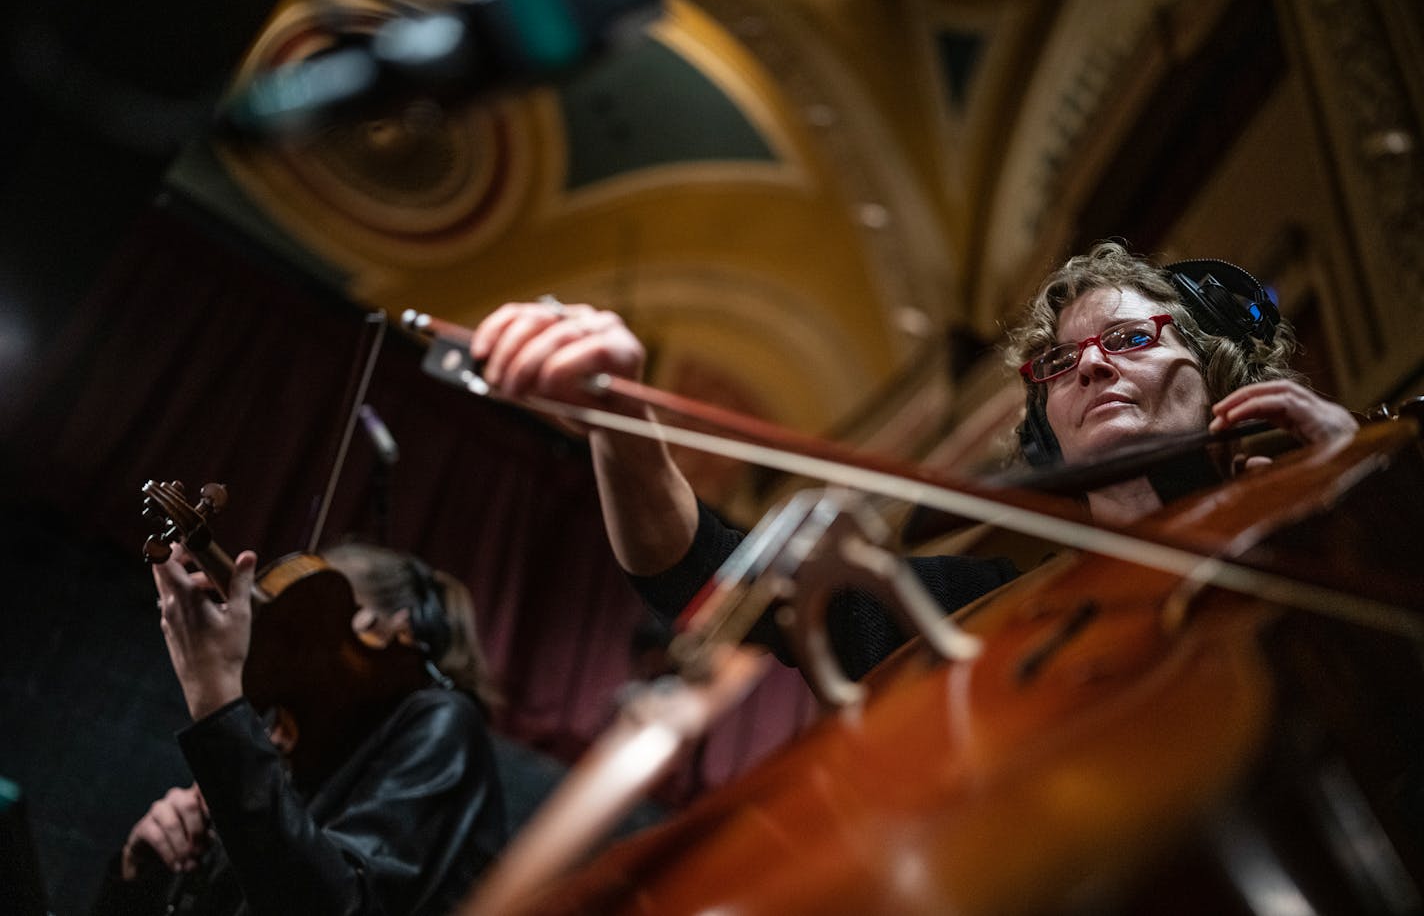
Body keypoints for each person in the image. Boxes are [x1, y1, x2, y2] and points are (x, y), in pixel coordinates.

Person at [467, 241, 1359, 679]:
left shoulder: (1336, 531)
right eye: (1059, 360)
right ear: (1046, 421)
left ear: (1221, 375)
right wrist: (619, 422)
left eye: (1130, 336)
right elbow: (709, 575)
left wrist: (1363, 494)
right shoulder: (981, 615)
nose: (1088, 363)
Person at [92, 542, 507, 916]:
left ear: (392, 629)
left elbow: (337, 905)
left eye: (314, 637)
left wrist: (217, 705)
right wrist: (139, 873)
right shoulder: (302, 751)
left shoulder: (443, 722)